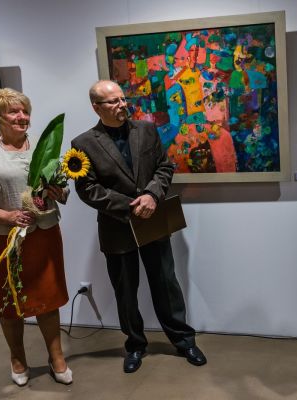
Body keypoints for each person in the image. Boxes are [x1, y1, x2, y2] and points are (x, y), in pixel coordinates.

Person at [71, 80, 206, 373]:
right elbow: (87, 189)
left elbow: (164, 166)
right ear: (96, 107)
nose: (122, 105)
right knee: (126, 291)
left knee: (166, 285)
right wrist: (131, 206)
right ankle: (134, 345)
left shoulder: (146, 130)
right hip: (117, 227)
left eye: (123, 99)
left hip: (153, 220)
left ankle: (183, 340)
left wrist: (152, 195)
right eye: (114, 101)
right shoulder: (82, 144)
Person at [0, 88, 72, 386]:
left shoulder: (44, 147)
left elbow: (62, 189)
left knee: (49, 298)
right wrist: (6, 217)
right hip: (1, 240)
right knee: (8, 302)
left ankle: (56, 357)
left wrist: (58, 191)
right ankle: (18, 357)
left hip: (43, 235)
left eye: (25, 111)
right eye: (14, 111)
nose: (22, 117)